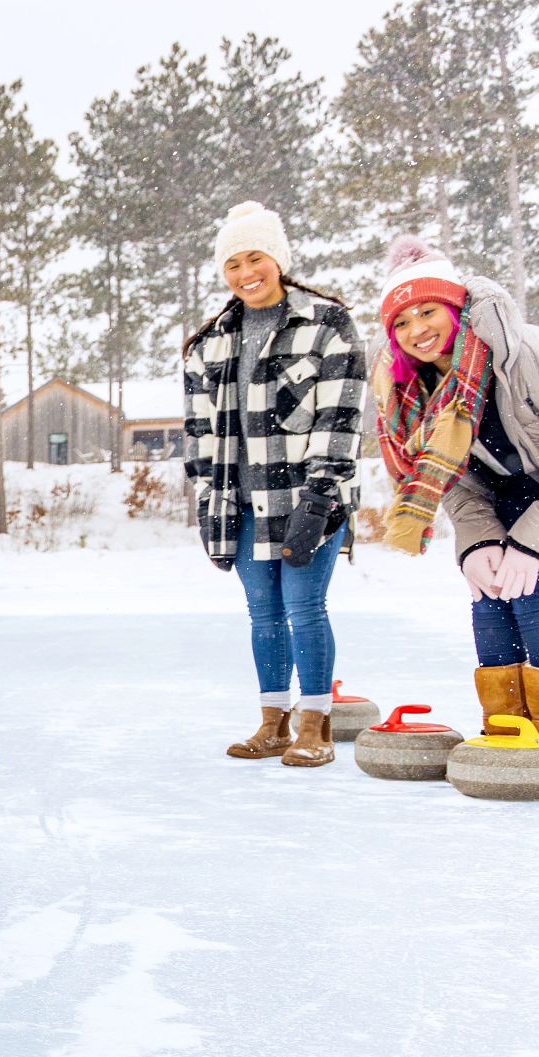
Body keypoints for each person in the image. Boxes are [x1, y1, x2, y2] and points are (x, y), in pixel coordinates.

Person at [373, 235, 539, 786]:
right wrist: (479, 542)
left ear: (456, 307)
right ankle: (508, 731)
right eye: (402, 322)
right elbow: (450, 479)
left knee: (531, 592)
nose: (417, 330)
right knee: (489, 595)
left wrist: (532, 542)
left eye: (428, 311)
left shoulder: (530, 353)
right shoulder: (415, 390)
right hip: (516, 493)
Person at [182, 201, 367, 767]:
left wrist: (320, 496)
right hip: (241, 504)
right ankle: (274, 724)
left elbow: (340, 416)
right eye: (232, 263)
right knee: (262, 614)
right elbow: (200, 436)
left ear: (278, 260)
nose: (246, 273)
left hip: (306, 498)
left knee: (305, 608)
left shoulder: (326, 325)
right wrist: (209, 504)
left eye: (255, 258)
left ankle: (316, 726)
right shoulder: (209, 343)